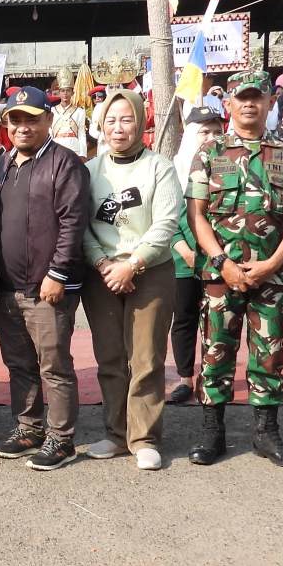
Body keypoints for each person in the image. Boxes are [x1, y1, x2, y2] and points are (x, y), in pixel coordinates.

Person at [186, 70, 283, 468]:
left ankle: (266, 433)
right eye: (241, 97)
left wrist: (273, 263)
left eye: (257, 97)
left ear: (271, 102)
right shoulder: (210, 152)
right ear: (229, 104)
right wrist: (222, 263)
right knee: (215, 352)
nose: (249, 104)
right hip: (221, 275)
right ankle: (212, 433)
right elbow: (196, 216)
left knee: (270, 352)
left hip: (272, 274)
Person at [0, 86, 90, 471]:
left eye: (32, 118)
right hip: (9, 288)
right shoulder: (3, 163)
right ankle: (28, 428)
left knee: (54, 365)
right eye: (16, 120)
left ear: (48, 119)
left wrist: (57, 273)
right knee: (19, 364)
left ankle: (61, 438)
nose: (23, 126)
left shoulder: (64, 163)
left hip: (48, 288)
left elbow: (72, 222)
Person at [81, 89, 181, 470]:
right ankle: (115, 433)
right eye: (110, 120)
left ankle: (144, 437)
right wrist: (105, 265)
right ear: (100, 125)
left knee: (146, 358)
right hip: (101, 275)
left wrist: (133, 263)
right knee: (109, 357)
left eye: (126, 119)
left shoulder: (160, 167)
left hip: (150, 272)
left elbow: (166, 223)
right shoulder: (91, 171)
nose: (118, 128)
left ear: (141, 121)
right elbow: (81, 226)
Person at [168, 106, 224, 405]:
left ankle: (212, 374)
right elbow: (165, 217)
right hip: (182, 259)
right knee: (185, 318)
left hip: (219, 259)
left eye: (217, 131)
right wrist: (184, 250)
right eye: (204, 131)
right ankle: (185, 378)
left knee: (215, 319)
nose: (211, 137)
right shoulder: (173, 170)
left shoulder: (228, 165)